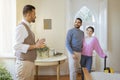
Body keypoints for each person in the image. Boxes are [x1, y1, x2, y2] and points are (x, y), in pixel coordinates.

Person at [13, 5, 45, 80]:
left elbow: (26, 43)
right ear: (28, 14)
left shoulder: (27, 27)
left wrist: (36, 44)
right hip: (24, 64)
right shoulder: (21, 27)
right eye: (34, 14)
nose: (35, 16)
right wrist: (35, 46)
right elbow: (16, 46)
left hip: (28, 63)